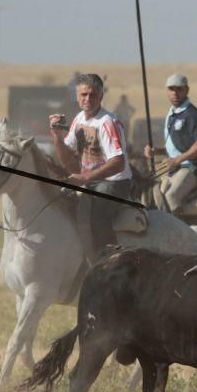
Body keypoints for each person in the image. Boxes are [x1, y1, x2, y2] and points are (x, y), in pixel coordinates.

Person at [49, 73, 132, 255]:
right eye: (83, 95)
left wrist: (84, 178)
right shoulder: (79, 119)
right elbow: (68, 157)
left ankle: (110, 261)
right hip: (89, 181)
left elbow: (118, 162)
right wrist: (56, 137)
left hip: (114, 182)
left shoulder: (107, 122)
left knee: (97, 218)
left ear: (101, 96)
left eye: (93, 95)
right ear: (77, 96)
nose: (88, 99)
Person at [143, 73, 197, 213]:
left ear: (187, 90)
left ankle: (181, 233)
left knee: (171, 196)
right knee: (151, 190)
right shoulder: (172, 113)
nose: (175, 93)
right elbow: (176, 148)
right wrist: (156, 151)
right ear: (167, 91)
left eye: (179, 89)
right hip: (175, 167)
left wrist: (178, 160)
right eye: (171, 89)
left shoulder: (191, 114)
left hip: (192, 167)